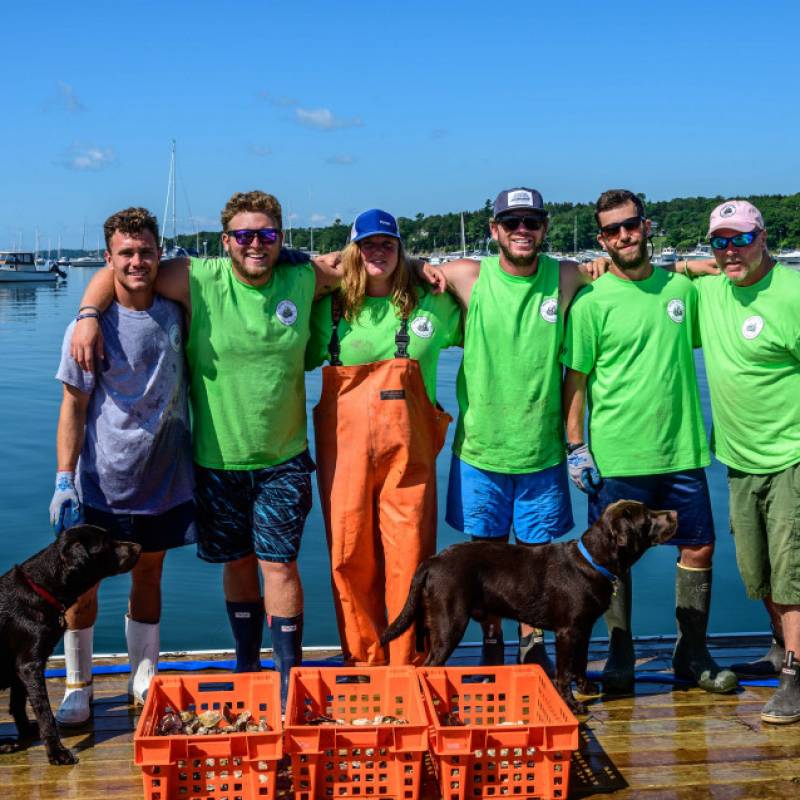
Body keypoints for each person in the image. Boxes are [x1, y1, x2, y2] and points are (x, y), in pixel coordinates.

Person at [69, 191, 345, 706]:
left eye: (267, 234)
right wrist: (87, 313)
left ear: (282, 239)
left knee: (279, 565)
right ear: (227, 242)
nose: (255, 244)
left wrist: (420, 270)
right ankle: (245, 665)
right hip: (215, 462)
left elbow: (364, 267)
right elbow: (130, 267)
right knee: (237, 563)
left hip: (284, 458)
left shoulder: (304, 277)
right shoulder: (199, 278)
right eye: (244, 235)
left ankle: (289, 677)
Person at [561, 189, 738, 696]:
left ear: (646, 225)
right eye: (613, 230)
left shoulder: (681, 291)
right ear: (602, 239)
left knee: (699, 546)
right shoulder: (591, 303)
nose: (624, 236)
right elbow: (575, 381)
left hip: (681, 450)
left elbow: (727, 301)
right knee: (612, 557)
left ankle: (693, 652)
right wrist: (577, 447)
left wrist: (699, 266)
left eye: (631, 225)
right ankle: (620, 650)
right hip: (616, 454)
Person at [434, 187, 599, 668]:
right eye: (512, 223)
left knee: (540, 560)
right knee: (486, 557)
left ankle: (533, 643)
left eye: (531, 221)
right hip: (480, 452)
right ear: (494, 231)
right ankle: (491, 642)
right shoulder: (470, 276)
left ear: (545, 227)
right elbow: (402, 267)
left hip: (542, 452)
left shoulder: (565, 276)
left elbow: (628, 270)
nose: (522, 230)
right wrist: (423, 268)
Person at [50, 207, 196, 725]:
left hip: (165, 479)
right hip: (101, 483)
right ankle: (77, 685)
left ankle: (143, 676)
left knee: (149, 576)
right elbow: (73, 404)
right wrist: (65, 479)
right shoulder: (88, 325)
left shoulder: (178, 309)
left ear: (159, 253)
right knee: (83, 587)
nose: (137, 261)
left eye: (145, 251)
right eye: (126, 253)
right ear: (109, 258)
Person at [305, 209, 462, 665]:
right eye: (367, 244)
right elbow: (295, 274)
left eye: (387, 245)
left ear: (401, 250)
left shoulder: (432, 302)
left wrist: (425, 268)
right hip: (345, 457)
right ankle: (362, 657)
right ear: (352, 250)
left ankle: (408, 659)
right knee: (349, 554)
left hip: (410, 456)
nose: (378, 252)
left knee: (410, 556)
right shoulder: (327, 311)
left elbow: (483, 285)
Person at [694, 199, 800, 723]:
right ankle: (782, 649)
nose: (730, 251)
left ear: (764, 238)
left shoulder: (793, 292)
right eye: (719, 241)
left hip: (792, 456)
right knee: (757, 569)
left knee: (792, 573)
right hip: (738, 458)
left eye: (740, 239)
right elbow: (676, 271)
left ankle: (796, 676)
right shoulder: (711, 290)